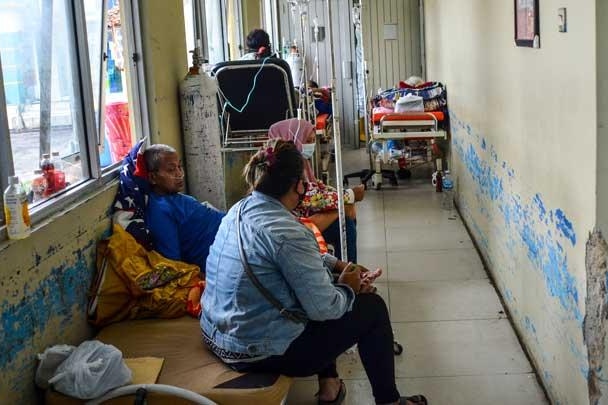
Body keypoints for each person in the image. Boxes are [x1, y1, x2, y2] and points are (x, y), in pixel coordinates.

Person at [201, 139, 427, 405]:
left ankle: (330, 387)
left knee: (315, 287)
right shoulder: (288, 232)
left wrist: (338, 266)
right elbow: (325, 308)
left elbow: (293, 260)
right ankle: (390, 401)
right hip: (255, 351)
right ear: (297, 185)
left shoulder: (239, 210)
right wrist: (348, 287)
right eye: (304, 184)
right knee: (372, 308)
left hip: (217, 335)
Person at [268, 118, 364, 262]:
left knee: (346, 212)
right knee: (346, 223)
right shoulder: (283, 169)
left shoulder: (302, 163)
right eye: (308, 140)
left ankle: (348, 269)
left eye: (313, 140)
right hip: (292, 224)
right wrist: (349, 196)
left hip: (306, 214)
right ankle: (348, 270)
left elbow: (317, 187)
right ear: (295, 138)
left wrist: (343, 195)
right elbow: (311, 198)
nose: (312, 144)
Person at [143, 144, 225, 273]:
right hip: (226, 247)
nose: (179, 174)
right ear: (153, 178)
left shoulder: (176, 197)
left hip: (231, 226)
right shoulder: (160, 211)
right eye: (171, 170)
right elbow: (173, 263)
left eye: (179, 167)